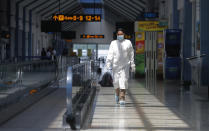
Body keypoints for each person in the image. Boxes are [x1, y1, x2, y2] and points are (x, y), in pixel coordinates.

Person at [106, 28, 135, 105]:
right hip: (116, 66)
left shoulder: (128, 42)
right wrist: (108, 63)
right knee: (116, 82)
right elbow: (110, 53)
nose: (120, 36)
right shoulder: (113, 43)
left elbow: (131, 54)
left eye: (121, 34)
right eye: (118, 34)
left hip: (125, 65)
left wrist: (132, 64)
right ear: (116, 35)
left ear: (124, 34)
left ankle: (122, 97)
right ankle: (117, 93)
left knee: (124, 81)